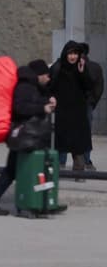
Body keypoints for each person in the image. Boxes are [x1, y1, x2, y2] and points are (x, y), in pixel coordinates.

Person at [0, 60, 64, 215]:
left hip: (33, 136)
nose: (48, 79)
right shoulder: (24, 87)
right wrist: (42, 107)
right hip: (24, 136)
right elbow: (19, 108)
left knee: (37, 168)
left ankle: (44, 202)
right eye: (46, 75)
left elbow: (38, 100)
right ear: (38, 75)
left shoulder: (35, 87)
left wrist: (49, 99)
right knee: (14, 170)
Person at [49, 40, 91, 178]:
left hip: (78, 113)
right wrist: (51, 97)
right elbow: (50, 86)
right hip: (63, 112)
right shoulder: (58, 67)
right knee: (60, 142)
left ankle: (79, 172)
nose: (73, 57)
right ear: (65, 54)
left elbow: (88, 87)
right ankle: (57, 170)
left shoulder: (81, 67)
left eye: (75, 54)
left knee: (78, 144)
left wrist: (82, 72)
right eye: (70, 54)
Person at [81, 43, 103, 170]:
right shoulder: (95, 67)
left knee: (67, 131)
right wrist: (92, 102)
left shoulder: (71, 66)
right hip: (87, 104)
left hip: (75, 104)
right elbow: (99, 88)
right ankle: (86, 161)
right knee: (86, 133)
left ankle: (62, 161)